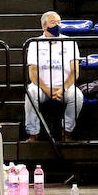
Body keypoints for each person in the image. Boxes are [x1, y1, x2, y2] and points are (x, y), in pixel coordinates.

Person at [24, 11, 82, 141]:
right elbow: (33, 73)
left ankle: (66, 131)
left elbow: (75, 71)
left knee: (77, 96)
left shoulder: (70, 42)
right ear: (44, 26)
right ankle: (33, 133)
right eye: (53, 22)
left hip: (64, 87)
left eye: (59, 22)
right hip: (42, 87)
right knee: (31, 92)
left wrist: (63, 88)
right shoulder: (34, 43)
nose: (57, 25)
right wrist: (47, 90)